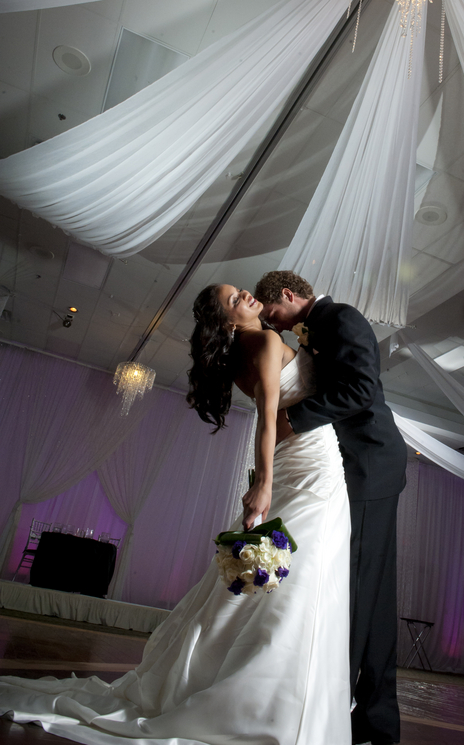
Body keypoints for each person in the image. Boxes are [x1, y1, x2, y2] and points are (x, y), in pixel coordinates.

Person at [0, 284, 352, 745]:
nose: (246, 294)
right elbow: (267, 416)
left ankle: (249, 683)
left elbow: (273, 414)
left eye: (240, 291)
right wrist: (262, 485)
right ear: (227, 321)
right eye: (234, 299)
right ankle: (276, 701)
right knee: (302, 576)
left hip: (294, 462)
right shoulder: (265, 343)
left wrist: (262, 481)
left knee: (278, 578)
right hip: (309, 466)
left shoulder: (240, 356)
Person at [255, 271, 407, 745]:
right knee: (372, 594)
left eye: (272, 312)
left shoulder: (341, 317)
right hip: (358, 464)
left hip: (369, 462)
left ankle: (338, 711)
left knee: (359, 587)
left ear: (286, 295)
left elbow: (362, 390)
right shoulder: (317, 328)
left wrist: (292, 420)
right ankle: (373, 722)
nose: (271, 323)